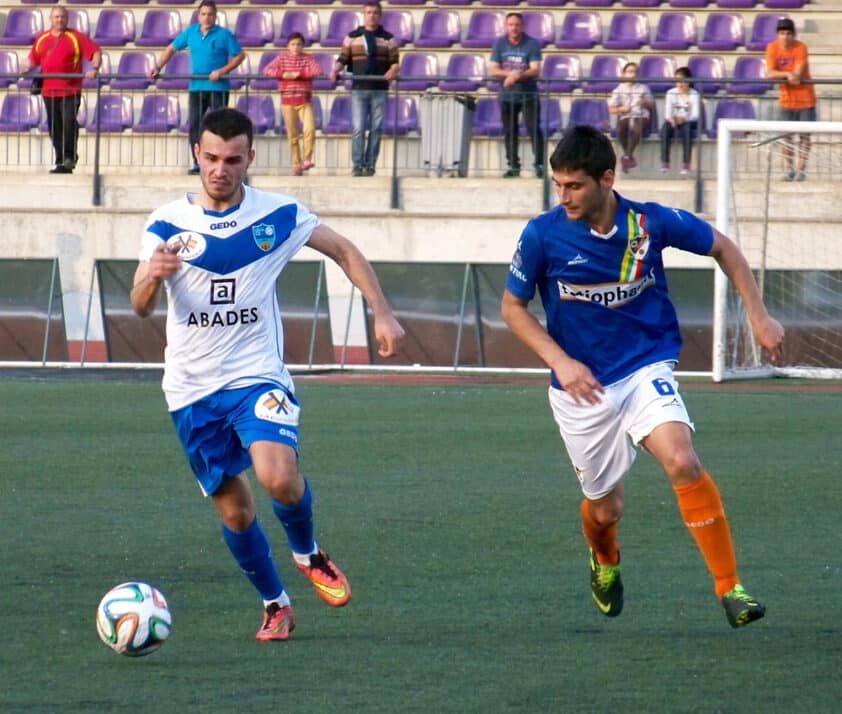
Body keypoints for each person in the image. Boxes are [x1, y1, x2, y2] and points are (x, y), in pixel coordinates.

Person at [129, 108, 405, 641]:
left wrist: (382, 310)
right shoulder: (165, 223)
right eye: (211, 158)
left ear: (250, 159)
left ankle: (308, 552)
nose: (220, 169)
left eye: (233, 159)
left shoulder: (277, 215)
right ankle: (275, 603)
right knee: (235, 512)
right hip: (190, 389)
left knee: (278, 477)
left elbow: (344, 250)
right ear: (197, 155)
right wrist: (152, 277)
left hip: (256, 375)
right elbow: (140, 303)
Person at [501, 126, 784, 628]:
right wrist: (561, 363)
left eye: (574, 186)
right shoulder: (542, 235)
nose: (562, 196)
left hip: (645, 365)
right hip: (581, 389)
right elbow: (512, 308)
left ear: (607, 179)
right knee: (605, 510)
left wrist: (758, 315)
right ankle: (604, 558)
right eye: (558, 185)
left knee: (681, 458)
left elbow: (725, 248)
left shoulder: (650, 222)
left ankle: (729, 587)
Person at [149, 0, 245, 175]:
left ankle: (219, 163)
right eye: (203, 14)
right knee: (195, 125)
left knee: (219, 127)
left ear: (215, 16)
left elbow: (240, 56)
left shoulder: (224, 34)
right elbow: (171, 48)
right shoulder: (191, 32)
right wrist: (158, 67)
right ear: (198, 15)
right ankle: (198, 162)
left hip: (218, 87)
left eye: (210, 14)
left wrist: (222, 71)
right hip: (197, 87)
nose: (207, 17)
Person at [28, 5, 101, 174]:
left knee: (69, 122)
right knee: (55, 126)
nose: (59, 20)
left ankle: (70, 156)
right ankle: (61, 161)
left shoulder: (75, 37)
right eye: (56, 17)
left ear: (67, 19)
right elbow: (33, 59)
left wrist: (94, 69)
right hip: (49, 91)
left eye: (62, 17)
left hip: (70, 90)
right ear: (51, 19)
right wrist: (26, 66)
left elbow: (95, 52)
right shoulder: (42, 38)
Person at [330, 2, 399, 177]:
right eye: (368, 12)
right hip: (359, 88)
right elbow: (343, 58)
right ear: (364, 15)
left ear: (380, 16)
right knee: (358, 128)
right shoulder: (352, 37)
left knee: (376, 128)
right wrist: (335, 70)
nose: (372, 16)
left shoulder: (388, 38)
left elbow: (395, 62)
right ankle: (358, 164)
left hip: (379, 89)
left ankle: (370, 165)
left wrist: (393, 70)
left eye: (375, 13)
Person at [489, 12, 544, 179]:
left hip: (529, 95)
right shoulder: (499, 44)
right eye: (511, 25)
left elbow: (535, 69)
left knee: (534, 130)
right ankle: (513, 165)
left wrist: (516, 76)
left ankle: (539, 165)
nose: (514, 28)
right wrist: (509, 75)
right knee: (510, 132)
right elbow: (493, 69)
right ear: (506, 26)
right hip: (507, 96)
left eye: (517, 25)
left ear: (523, 26)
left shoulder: (532, 44)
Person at [262, 32, 322, 177]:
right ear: (288, 46)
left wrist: (298, 74)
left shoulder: (307, 58)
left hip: (304, 101)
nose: (296, 47)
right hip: (288, 101)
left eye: (299, 44)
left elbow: (317, 70)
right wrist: (283, 74)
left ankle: (307, 158)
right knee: (293, 135)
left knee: (310, 129)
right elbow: (267, 70)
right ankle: (296, 164)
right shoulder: (282, 59)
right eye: (293, 44)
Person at [765, 17, 817, 181]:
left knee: (804, 137)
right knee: (786, 137)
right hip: (786, 99)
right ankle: (789, 169)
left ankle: (801, 170)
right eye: (782, 33)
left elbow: (799, 73)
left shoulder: (801, 47)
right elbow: (770, 73)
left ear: (793, 35)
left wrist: (785, 74)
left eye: (788, 33)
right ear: (777, 35)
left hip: (805, 99)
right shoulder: (772, 48)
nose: (785, 37)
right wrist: (787, 74)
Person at [607, 62, 654, 174]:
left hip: (641, 115)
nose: (633, 74)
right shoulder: (618, 90)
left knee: (637, 127)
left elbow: (651, 104)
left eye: (635, 72)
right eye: (630, 72)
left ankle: (627, 156)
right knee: (620, 129)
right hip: (626, 115)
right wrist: (622, 109)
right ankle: (629, 156)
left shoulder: (643, 88)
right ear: (624, 74)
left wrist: (645, 102)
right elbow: (611, 109)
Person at [660, 66, 701, 176]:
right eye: (677, 81)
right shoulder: (670, 93)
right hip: (673, 120)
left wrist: (684, 119)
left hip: (688, 121)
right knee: (665, 129)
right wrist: (672, 119)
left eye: (683, 80)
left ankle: (686, 163)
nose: (680, 84)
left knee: (687, 130)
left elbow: (695, 115)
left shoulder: (694, 94)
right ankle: (665, 162)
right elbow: (667, 112)